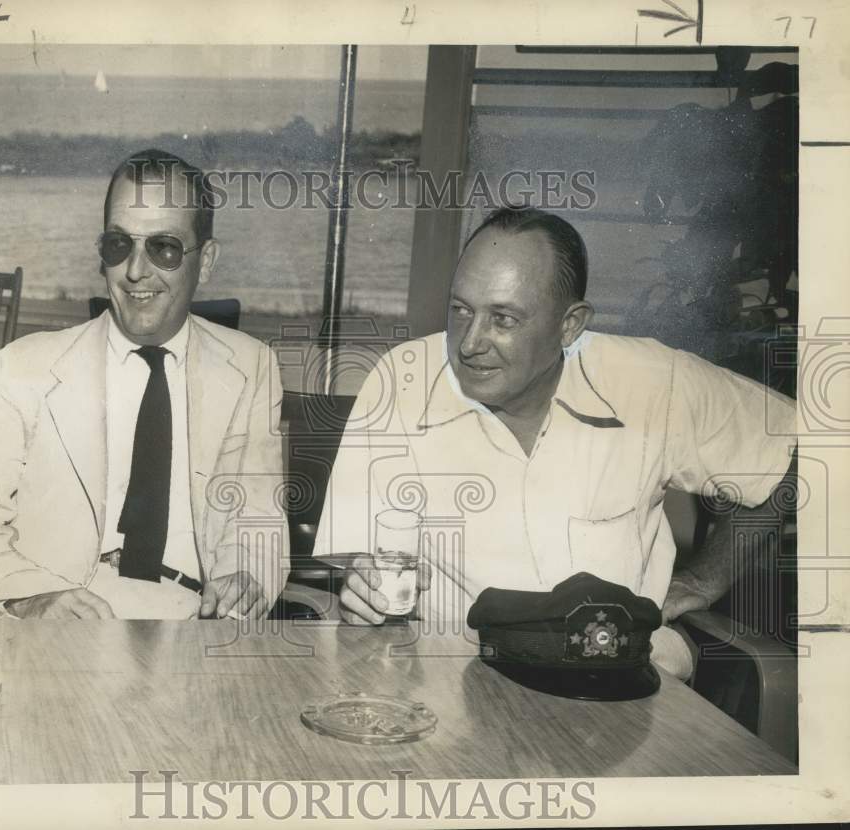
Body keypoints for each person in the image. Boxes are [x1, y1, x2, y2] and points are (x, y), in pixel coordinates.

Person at [313, 206, 796, 678]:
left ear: (570, 325)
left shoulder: (655, 383)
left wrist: (704, 580)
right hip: (454, 675)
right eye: (461, 310)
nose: (468, 343)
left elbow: (799, 448)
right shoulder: (404, 380)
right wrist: (365, 593)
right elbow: (367, 572)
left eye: (503, 319)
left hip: (617, 675)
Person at [0, 149, 288, 619]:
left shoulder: (251, 368)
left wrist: (246, 579)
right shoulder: (20, 371)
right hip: (57, 624)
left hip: (193, 624)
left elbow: (256, 523)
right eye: (119, 245)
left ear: (207, 260)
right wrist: (32, 598)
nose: (136, 271)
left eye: (165, 248)